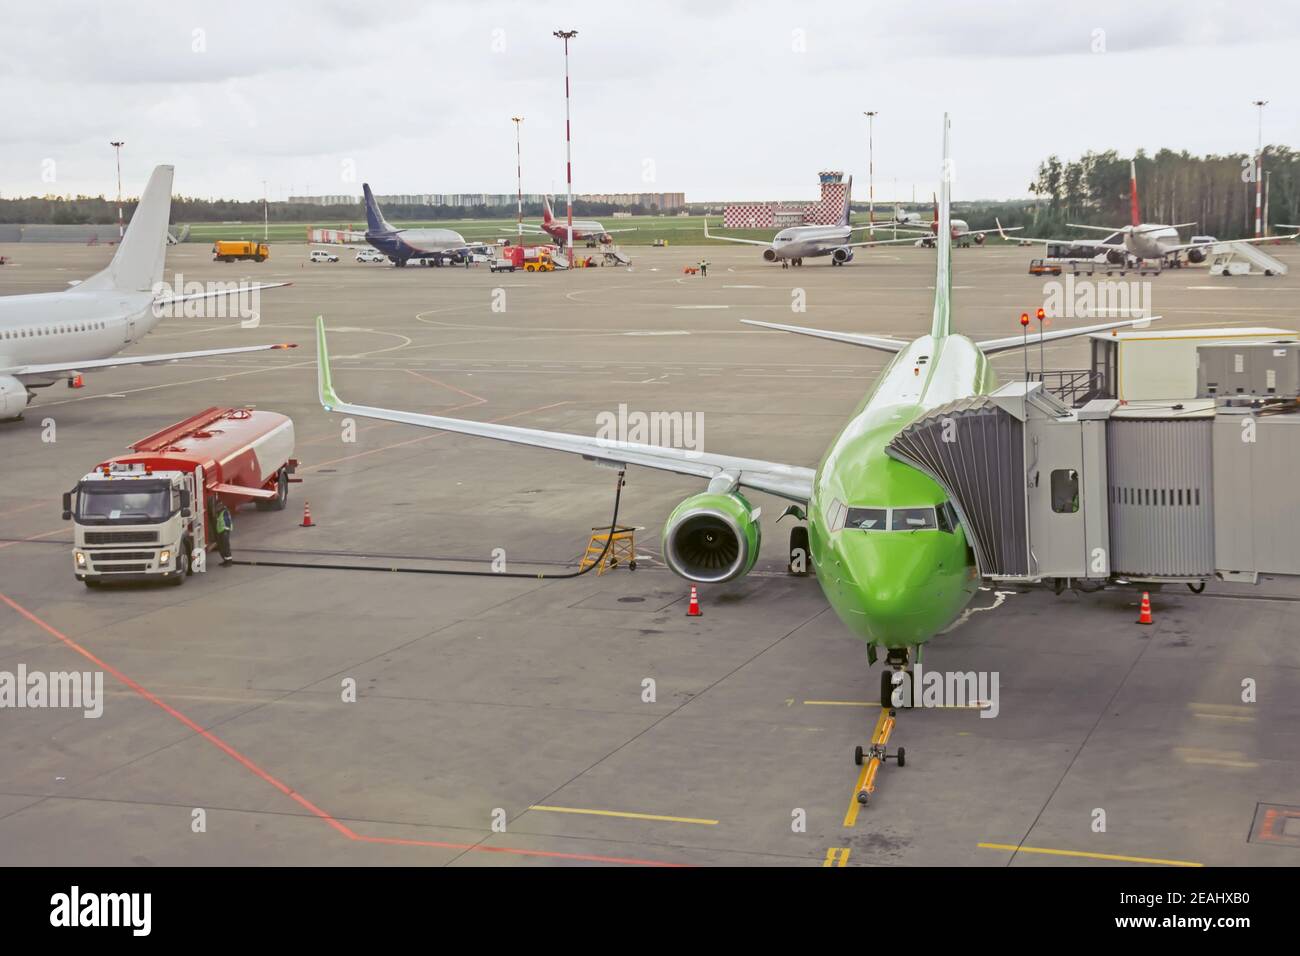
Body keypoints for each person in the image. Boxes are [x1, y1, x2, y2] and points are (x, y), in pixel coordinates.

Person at [212, 498, 234, 566]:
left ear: (220, 505)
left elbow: (228, 522)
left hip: (224, 531)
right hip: (221, 531)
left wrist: (225, 531)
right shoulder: (220, 512)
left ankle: (229, 561)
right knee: (221, 547)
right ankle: (225, 560)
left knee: (225, 547)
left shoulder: (225, 512)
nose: (216, 508)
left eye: (217, 507)